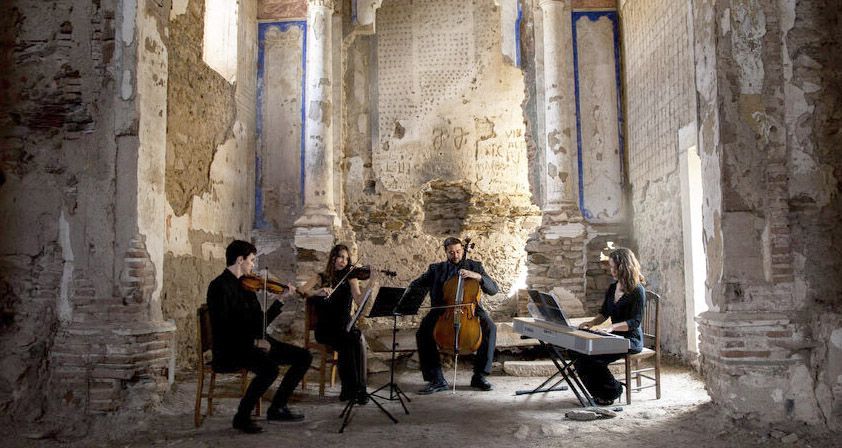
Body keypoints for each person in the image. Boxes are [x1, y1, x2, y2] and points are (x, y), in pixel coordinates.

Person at [206, 240, 312, 434]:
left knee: (304, 356)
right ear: (240, 260)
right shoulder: (219, 287)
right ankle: (242, 417)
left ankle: (277, 408)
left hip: (253, 342)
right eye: (252, 260)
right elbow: (224, 329)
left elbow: (259, 324)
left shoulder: (247, 286)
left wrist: (280, 300)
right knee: (269, 369)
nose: (253, 265)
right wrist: (255, 342)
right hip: (232, 348)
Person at [410, 237, 499, 394]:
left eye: (458, 251)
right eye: (451, 252)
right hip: (444, 309)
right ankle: (436, 379)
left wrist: (477, 276)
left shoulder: (475, 266)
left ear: (463, 250)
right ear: (445, 252)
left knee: (490, 327)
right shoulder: (436, 269)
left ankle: (479, 376)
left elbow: (493, 289)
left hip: (470, 308)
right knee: (423, 332)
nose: (456, 255)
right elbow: (416, 285)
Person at [299, 244, 370, 404]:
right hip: (326, 329)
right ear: (333, 258)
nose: (344, 261)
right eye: (340, 257)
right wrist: (318, 292)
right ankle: (350, 389)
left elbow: (358, 300)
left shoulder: (351, 278)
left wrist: (371, 283)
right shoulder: (321, 277)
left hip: (344, 326)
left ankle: (358, 388)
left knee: (356, 338)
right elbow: (302, 291)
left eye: (346, 258)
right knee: (348, 340)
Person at [576, 247, 646, 406]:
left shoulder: (638, 290)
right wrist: (591, 323)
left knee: (594, 359)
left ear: (625, 266)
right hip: (613, 336)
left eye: (615, 267)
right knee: (581, 356)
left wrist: (612, 328)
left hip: (630, 339)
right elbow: (604, 313)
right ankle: (600, 393)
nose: (612, 270)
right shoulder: (613, 288)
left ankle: (614, 390)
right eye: (611, 267)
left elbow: (635, 322)